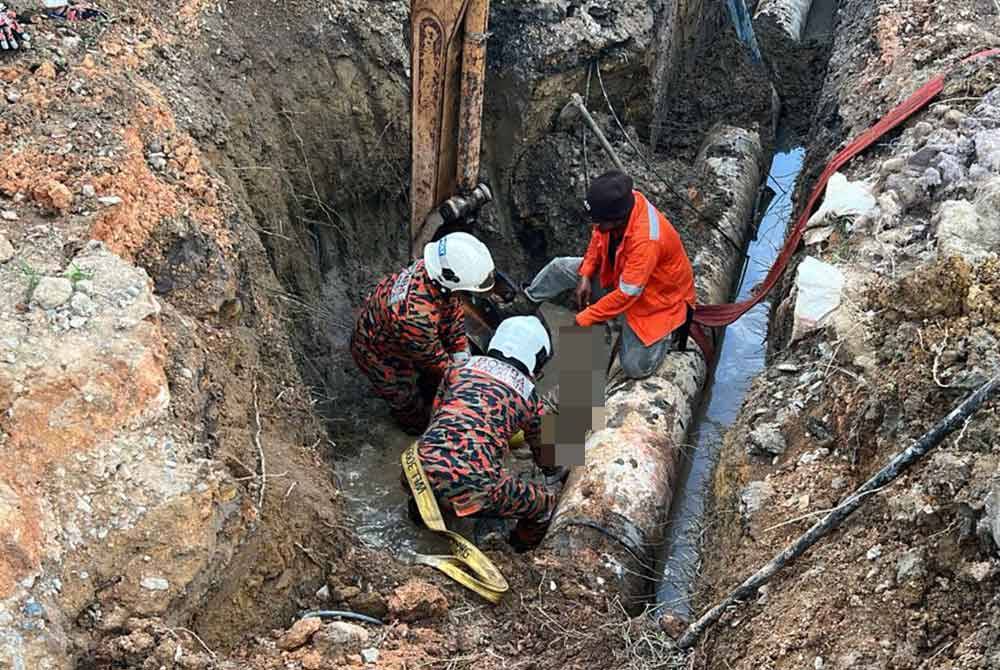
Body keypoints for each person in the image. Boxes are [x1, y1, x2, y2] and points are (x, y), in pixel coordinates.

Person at [507, 170, 696, 379]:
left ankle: (665, 335)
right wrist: (586, 274)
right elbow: (598, 240)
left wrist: (586, 318)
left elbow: (627, 295)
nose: (595, 226)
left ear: (617, 219)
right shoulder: (618, 206)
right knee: (559, 268)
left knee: (635, 367)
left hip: (656, 302)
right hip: (620, 278)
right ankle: (526, 302)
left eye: (599, 222)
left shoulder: (647, 240)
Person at [410, 315, 561, 551]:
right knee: (546, 506)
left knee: (440, 474)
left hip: (414, 466)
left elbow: (438, 419)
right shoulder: (529, 396)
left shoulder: (457, 369)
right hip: (472, 485)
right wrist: (555, 474)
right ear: (536, 359)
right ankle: (517, 553)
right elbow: (546, 452)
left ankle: (420, 516)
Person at [351, 232, 496, 435]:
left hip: (405, 334)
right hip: (378, 352)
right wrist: (465, 384)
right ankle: (416, 426)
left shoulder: (433, 270)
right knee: (405, 400)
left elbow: (453, 317)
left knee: (442, 376)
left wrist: (462, 355)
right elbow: (434, 361)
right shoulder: (415, 316)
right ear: (449, 280)